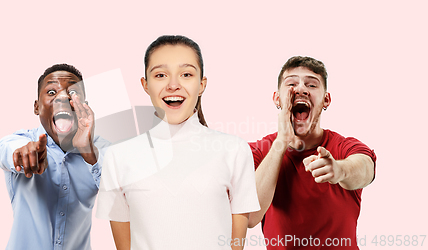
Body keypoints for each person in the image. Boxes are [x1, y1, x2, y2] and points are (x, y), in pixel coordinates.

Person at [96, 35, 260, 250]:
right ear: (145, 84)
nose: (173, 85)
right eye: (161, 75)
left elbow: (235, 245)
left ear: (202, 85)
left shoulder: (234, 150)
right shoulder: (117, 157)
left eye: (186, 74)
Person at [248, 56, 377, 249]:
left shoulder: (344, 147)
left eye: (312, 85)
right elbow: (250, 217)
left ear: (326, 99)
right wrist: (280, 143)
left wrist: (339, 170)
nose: (301, 89)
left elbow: (366, 169)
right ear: (277, 98)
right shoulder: (258, 152)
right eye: (291, 83)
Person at [0, 64, 110, 250]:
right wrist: (24, 157)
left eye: (73, 92)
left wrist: (88, 151)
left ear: (84, 106)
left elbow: (121, 197)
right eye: (51, 92)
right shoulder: (20, 141)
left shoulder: (101, 150)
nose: (63, 97)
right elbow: (5, 151)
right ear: (37, 107)